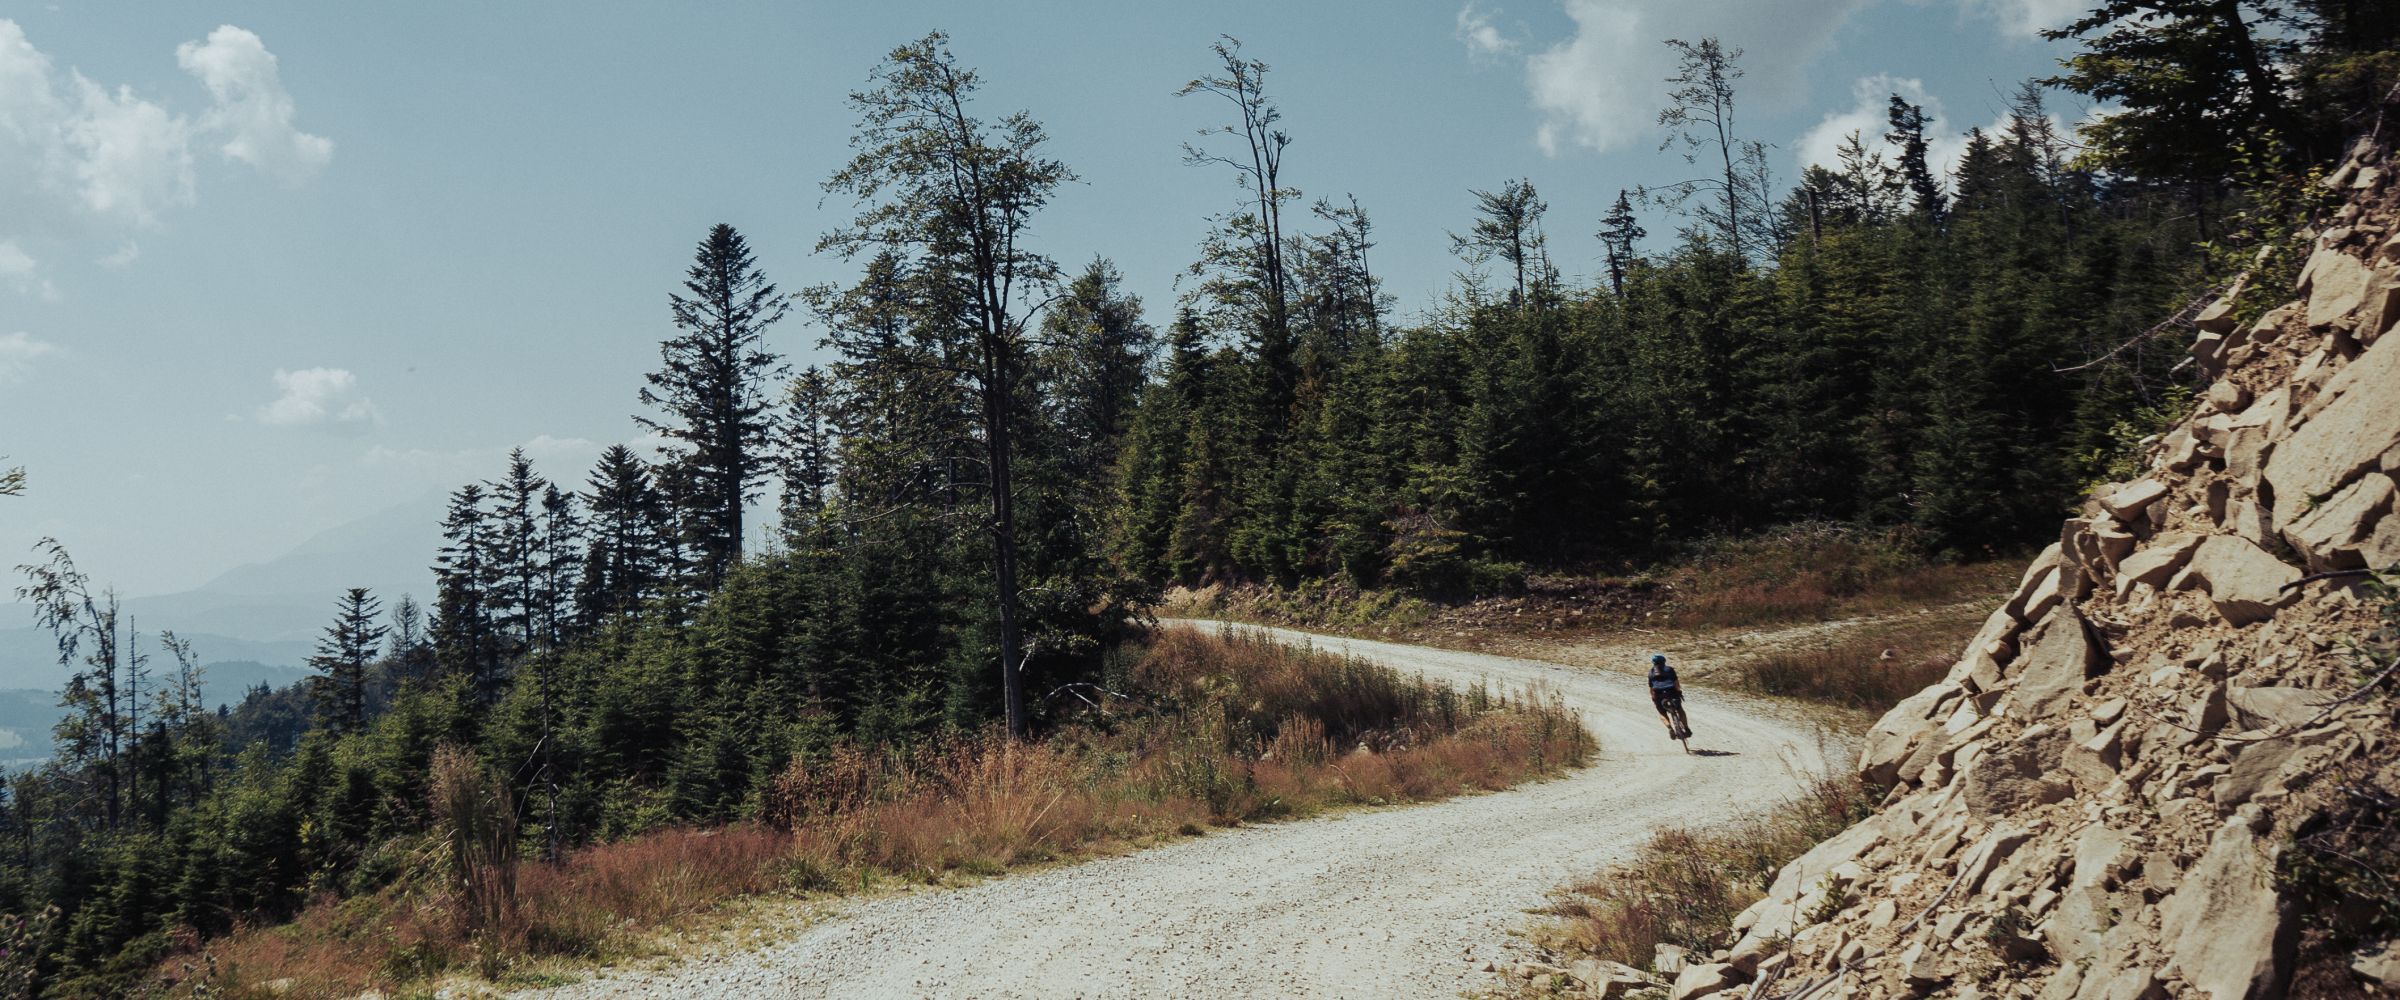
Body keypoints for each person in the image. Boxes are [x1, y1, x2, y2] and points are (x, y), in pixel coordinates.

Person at [1647, 653, 1690, 741]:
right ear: (1664, 661)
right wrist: (1678, 691)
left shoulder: (1650, 672)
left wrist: (1653, 698)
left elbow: (1651, 689)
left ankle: (1670, 728)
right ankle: (1686, 728)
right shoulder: (1669, 669)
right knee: (1680, 710)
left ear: (1653, 663)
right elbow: (1676, 684)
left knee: (1662, 713)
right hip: (1672, 693)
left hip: (1659, 695)